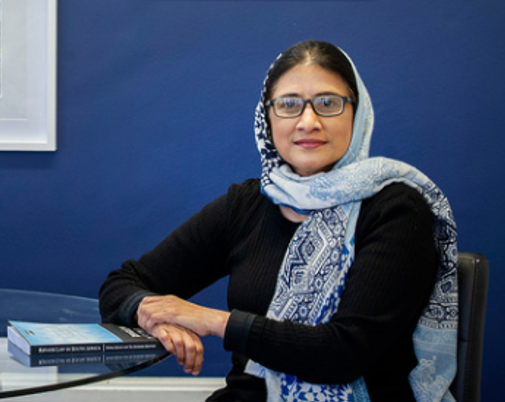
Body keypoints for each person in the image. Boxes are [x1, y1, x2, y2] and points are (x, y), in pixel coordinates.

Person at [99, 40, 458, 402]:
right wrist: (147, 311)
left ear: (357, 112)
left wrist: (210, 321)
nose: (308, 121)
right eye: (288, 105)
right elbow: (123, 284)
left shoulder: (396, 210)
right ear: (267, 116)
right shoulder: (248, 204)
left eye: (328, 103)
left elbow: (344, 353)